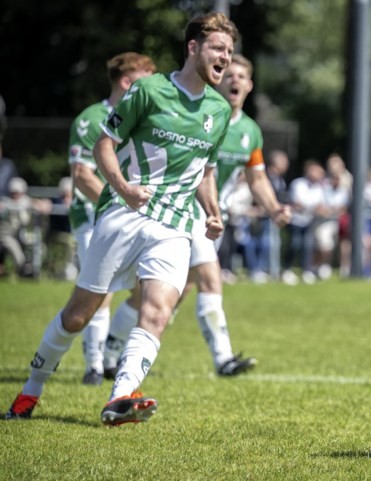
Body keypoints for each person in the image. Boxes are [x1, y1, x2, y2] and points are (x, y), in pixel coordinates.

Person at [5, 12, 240, 425]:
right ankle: (30, 391)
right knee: (78, 315)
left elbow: (205, 171)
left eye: (230, 52)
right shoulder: (149, 91)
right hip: (123, 214)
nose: (226, 57)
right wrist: (124, 188)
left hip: (173, 225)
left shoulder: (219, 111)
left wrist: (214, 212)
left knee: (159, 311)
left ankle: (119, 396)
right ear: (193, 48)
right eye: (219, 49)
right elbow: (104, 147)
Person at [102, 54, 292, 378]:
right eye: (229, 74)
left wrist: (274, 208)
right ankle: (223, 359)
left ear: (249, 85)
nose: (234, 80)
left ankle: (113, 347)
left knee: (170, 292)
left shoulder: (250, 132)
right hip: (184, 211)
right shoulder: (202, 113)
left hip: (212, 220)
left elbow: (257, 178)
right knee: (210, 278)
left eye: (241, 76)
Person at [66, 52, 157, 385]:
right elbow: (82, 175)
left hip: (133, 216)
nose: (156, 83)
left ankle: (109, 353)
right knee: (99, 289)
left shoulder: (148, 117)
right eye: (148, 76)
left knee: (143, 287)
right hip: (93, 216)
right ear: (127, 81)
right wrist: (120, 200)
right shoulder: (91, 118)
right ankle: (93, 365)